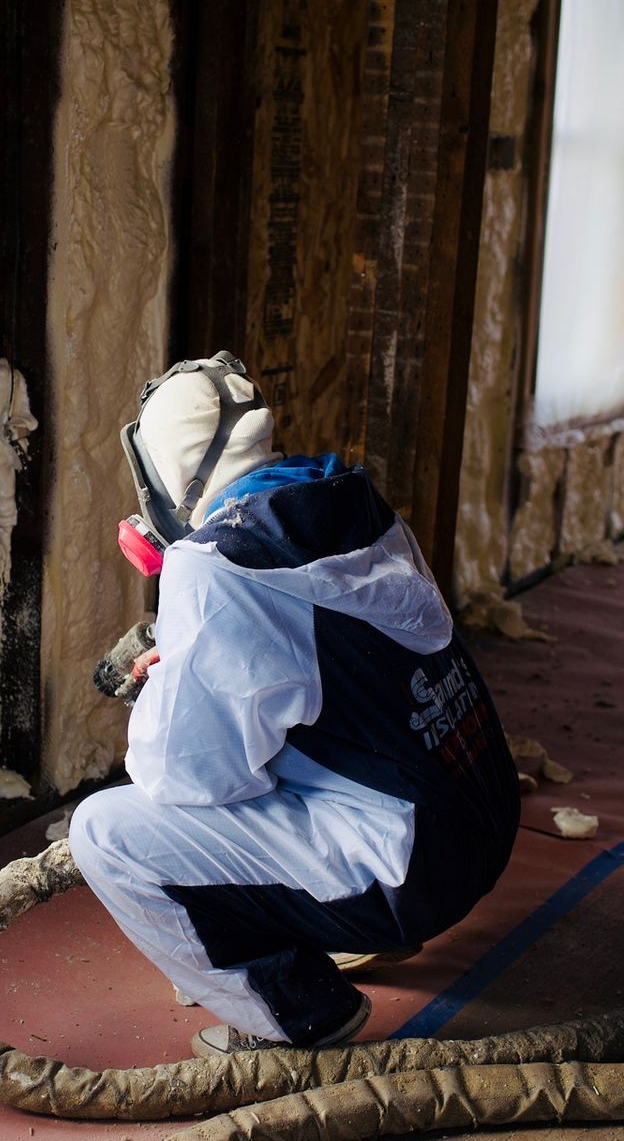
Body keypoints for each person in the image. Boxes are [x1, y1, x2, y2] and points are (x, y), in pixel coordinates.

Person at [69, 352, 521, 1057]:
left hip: (404, 871)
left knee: (106, 832)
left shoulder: (214, 565)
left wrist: (171, 686)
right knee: (273, 735)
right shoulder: (348, 502)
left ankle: (298, 1013)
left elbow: (186, 778)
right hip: (478, 829)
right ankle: (350, 930)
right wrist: (202, 662)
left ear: (168, 475)